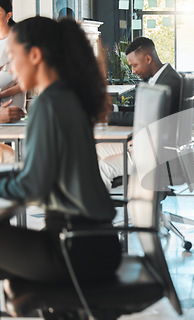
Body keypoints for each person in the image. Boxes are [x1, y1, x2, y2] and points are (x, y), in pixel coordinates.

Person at [0, 16, 121, 282]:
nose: (10, 68)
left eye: (12, 57)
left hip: (74, 250)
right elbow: (38, 174)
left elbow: (33, 186)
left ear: (34, 55)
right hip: (96, 244)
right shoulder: (66, 97)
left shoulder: (49, 104)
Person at [97, 37, 181, 189]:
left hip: (154, 153)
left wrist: (106, 117)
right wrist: (114, 109)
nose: (134, 71)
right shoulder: (164, 78)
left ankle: (95, 207)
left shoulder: (169, 84)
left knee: (103, 166)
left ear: (148, 58)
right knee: (96, 150)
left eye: (135, 65)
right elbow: (144, 111)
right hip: (148, 144)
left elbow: (147, 117)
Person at [0, 0, 27, 162]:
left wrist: (3, 93)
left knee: (13, 150)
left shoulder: (19, 40)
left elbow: (25, 81)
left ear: (8, 16)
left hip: (12, 101)